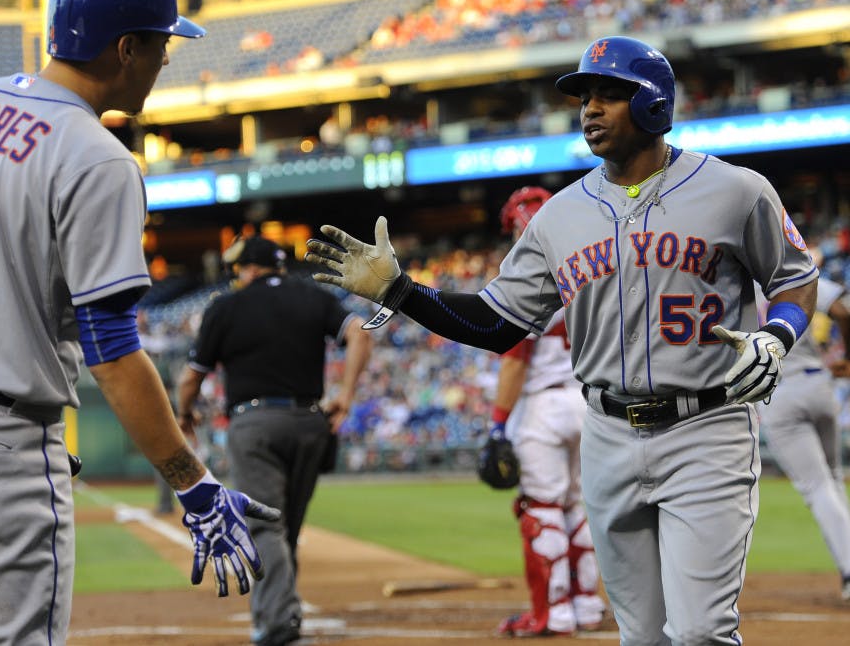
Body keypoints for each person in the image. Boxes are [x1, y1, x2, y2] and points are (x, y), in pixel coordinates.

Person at [306, 35, 819, 644]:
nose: (590, 109)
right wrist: (402, 293)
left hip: (706, 429)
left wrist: (777, 335)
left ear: (654, 103)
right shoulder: (559, 216)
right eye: (584, 97)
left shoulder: (736, 190)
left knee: (702, 632)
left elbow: (795, 279)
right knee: (641, 635)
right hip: (605, 433)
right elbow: (497, 324)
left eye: (609, 94)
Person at [0, 0, 278, 646]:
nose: (166, 58)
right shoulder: (97, 157)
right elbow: (111, 351)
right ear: (125, 48)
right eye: (162, 42)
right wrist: (192, 483)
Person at [177, 235, 373, 646]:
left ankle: (278, 625)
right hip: (309, 422)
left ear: (248, 269)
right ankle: (282, 613)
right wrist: (346, 395)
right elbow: (360, 333)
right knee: (287, 528)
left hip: (255, 424)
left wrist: (185, 412)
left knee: (266, 527)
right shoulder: (312, 296)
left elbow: (191, 375)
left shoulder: (226, 306)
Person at [487, 186, 605, 637]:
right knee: (578, 505)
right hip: (587, 399)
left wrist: (498, 424)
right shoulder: (586, 265)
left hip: (543, 404)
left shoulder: (526, 271)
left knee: (542, 507)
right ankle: (587, 604)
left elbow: (515, 360)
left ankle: (551, 612)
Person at [756, 276, 850, 601]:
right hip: (817, 381)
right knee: (834, 480)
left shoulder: (728, 279)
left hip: (778, 393)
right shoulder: (786, 273)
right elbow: (842, 309)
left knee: (817, 487)